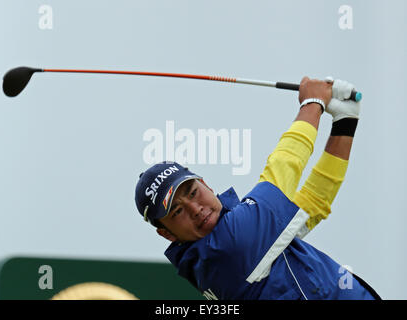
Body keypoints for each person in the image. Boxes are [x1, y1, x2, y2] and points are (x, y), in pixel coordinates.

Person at [134, 77, 381, 300]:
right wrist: (312, 102)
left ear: (205, 184)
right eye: (177, 211)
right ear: (168, 235)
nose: (195, 209)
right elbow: (283, 167)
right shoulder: (227, 248)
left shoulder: (250, 238)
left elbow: (312, 204)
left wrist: (345, 122)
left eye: (192, 192)